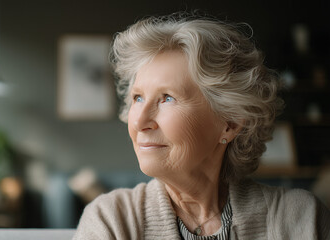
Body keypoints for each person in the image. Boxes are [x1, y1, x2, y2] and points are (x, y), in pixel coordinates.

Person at [73, 13, 330, 239]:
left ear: (229, 124)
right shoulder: (111, 220)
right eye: (138, 98)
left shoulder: (300, 218)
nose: (139, 121)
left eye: (167, 98)